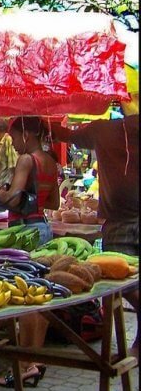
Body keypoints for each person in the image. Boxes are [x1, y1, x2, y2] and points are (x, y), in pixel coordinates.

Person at [51, 112, 139, 357]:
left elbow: (66, 135)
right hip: (118, 221)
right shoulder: (104, 129)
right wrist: (49, 122)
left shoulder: (105, 130)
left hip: (120, 221)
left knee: (120, 284)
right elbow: (67, 136)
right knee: (119, 284)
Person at [0, 116, 60, 388]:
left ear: (27, 134)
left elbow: (14, 197)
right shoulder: (49, 161)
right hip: (42, 227)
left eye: (16, 137)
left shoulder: (27, 160)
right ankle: (35, 360)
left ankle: (23, 364)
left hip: (24, 232)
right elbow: (54, 202)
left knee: (26, 296)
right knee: (40, 295)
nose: (14, 143)